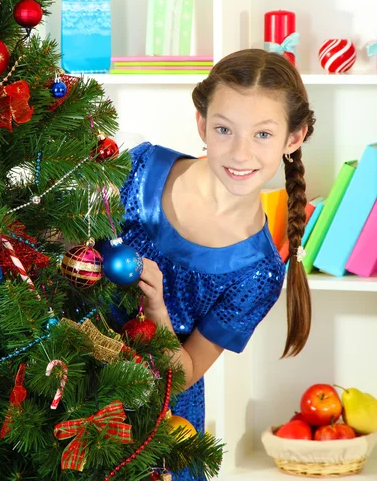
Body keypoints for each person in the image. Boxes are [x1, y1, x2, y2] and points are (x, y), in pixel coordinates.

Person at [111, 48, 315, 481]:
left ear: (293, 138)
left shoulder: (258, 270)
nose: (240, 153)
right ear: (202, 123)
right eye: (225, 129)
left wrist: (157, 312)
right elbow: (66, 231)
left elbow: (184, 374)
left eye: (262, 135)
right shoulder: (144, 169)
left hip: (157, 426)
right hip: (60, 371)